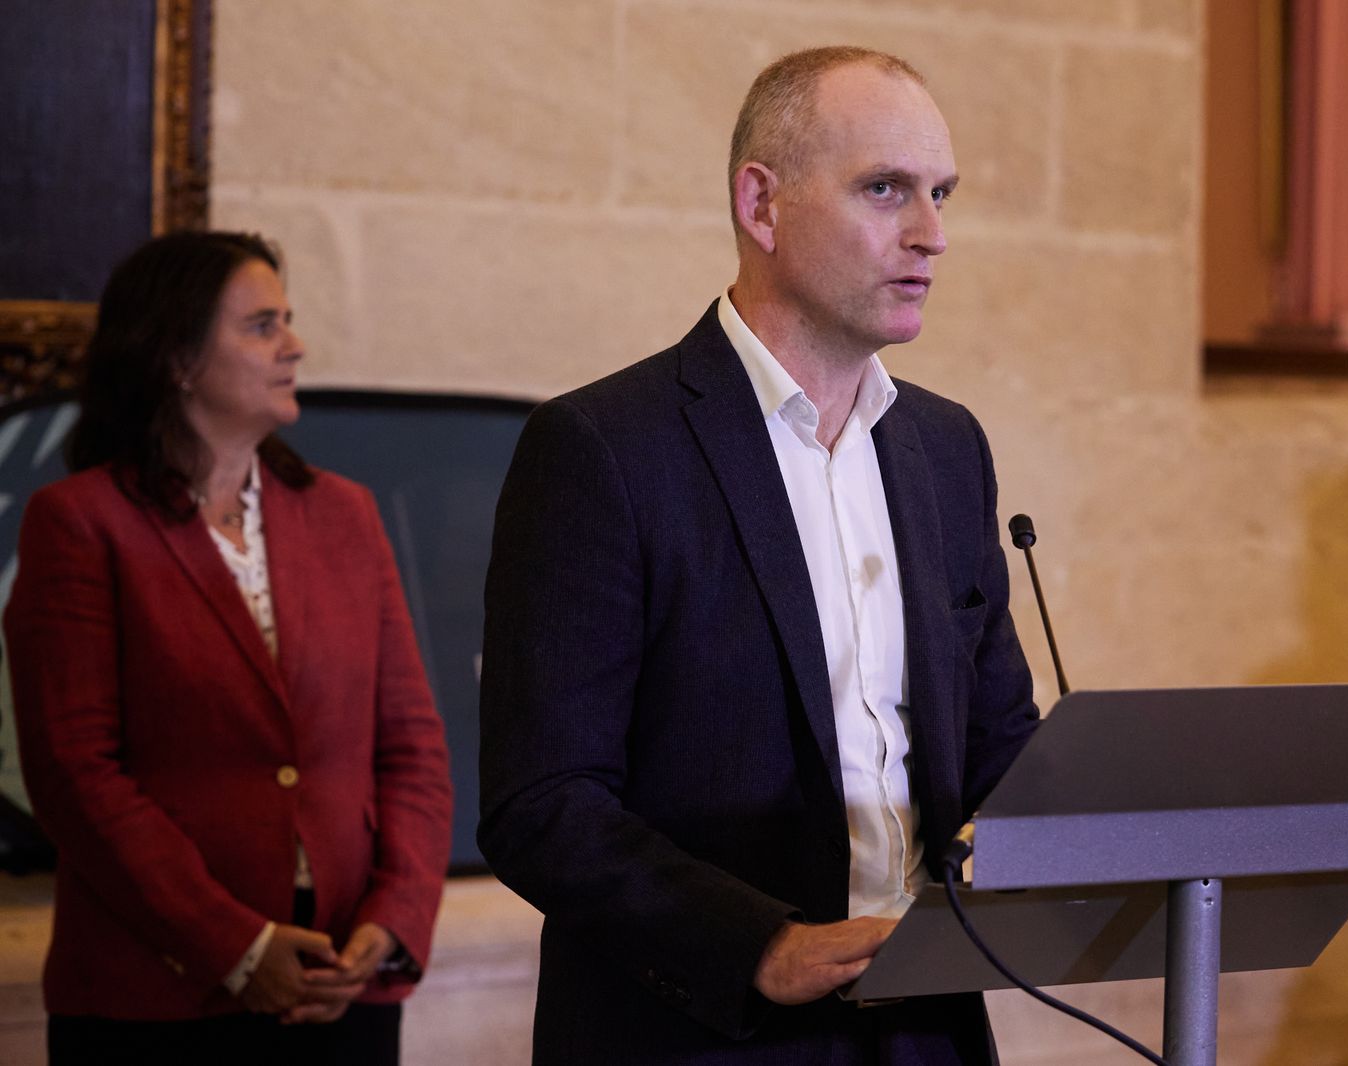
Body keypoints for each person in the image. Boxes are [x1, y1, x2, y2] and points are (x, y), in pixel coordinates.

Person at [479, 45, 1039, 1063]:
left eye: (941, 194)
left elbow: (997, 744)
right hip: (704, 1030)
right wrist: (759, 946)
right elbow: (542, 802)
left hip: (926, 1028)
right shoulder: (603, 448)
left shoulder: (947, 449)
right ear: (762, 204)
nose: (932, 234)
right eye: (885, 189)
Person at [4, 231, 453, 1065]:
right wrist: (237, 948)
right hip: (155, 997)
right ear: (177, 358)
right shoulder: (81, 523)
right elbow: (74, 772)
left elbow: (413, 746)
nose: (295, 345)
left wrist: (394, 920)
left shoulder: (345, 514)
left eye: (287, 320)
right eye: (262, 326)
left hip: (342, 981)